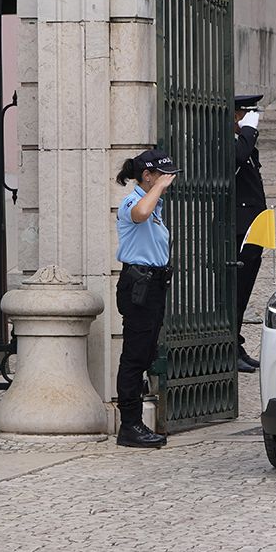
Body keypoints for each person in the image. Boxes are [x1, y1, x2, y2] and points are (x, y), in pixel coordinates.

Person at [114, 148, 180, 448]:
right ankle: (129, 425)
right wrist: (158, 188)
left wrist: (158, 190)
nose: (169, 180)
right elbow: (139, 214)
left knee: (145, 353)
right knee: (134, 356)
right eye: (164, 175)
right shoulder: (133, 202)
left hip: (154, 285)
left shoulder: (156, 206)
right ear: (147, 176)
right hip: (138, 285)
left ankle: (136, 423)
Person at [232, 96, 267, 373]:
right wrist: (248, 132)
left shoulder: (243, 141)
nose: (251, 119)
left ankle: (237, 343)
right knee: (236, 289)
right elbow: (236, 159)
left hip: (254, 225)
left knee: (244, 291)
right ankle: (230, 347)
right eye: (246, 113)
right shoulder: (227, 142)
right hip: (238, 228)